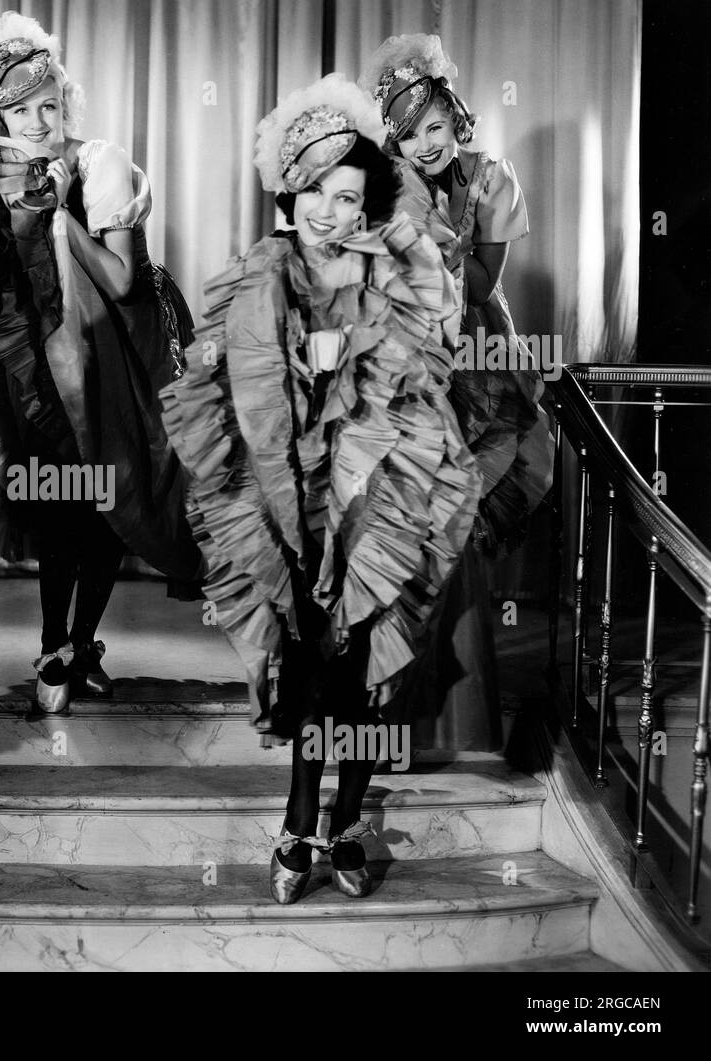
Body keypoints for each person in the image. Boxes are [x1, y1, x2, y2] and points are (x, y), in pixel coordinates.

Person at [160, 75, 482, 903]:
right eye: (314, 192)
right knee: (309, 657)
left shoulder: (393, 269)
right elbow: (234, 397)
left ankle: (341, 822)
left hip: (376, 498)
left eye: (347, 197)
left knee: (364, 666)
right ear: (288, 190)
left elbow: (419, 380)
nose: (329, 214)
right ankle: (299, 819)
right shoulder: (256, 277)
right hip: (286, 501)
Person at [0, 13, 201, 714]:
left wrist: (63, 221)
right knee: (60, 504)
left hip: (113, 362)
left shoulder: (101, 165)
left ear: (67, 102)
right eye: (20, 110)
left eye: (48, 105)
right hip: (34, 365)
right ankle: (55, 645)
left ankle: (80, 643)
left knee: (111, 506)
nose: (36, 121)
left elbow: (123, 282)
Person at [360, 35, 553, 749]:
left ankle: (460, 718)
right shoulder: (379, 187)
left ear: (457, 117)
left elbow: (479, 286)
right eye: (408, 136)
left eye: (435, 127)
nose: (424, 145)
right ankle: (393, 713)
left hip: (478, 360)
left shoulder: (489, 180)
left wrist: (441, 232)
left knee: (463, 529)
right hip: (407, 361)